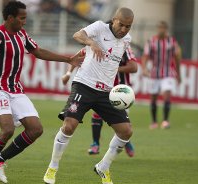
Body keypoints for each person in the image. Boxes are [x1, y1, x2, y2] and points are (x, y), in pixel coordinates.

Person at [0, 2, 82, 184]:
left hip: (15, 89)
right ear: (10, 18)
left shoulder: (21, 35)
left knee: (36, 129)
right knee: (7, 129)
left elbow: (38, 51)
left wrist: (68, 59)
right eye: (22, 18)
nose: (24, 22)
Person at [44, 7, 135, 184]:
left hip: (107, 93)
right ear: (114, 20)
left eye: (128, 26)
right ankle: (52, 167)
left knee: (126, 131)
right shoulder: (100, 27)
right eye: (121, 25)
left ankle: (103, 167)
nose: (124, 29)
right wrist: (91, 42)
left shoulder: (126, 40)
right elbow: (77, 35)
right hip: (84, 86)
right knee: (69, 126)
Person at [61, 46, 137, 157]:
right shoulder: (98, 43)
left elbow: (134, 67)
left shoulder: (124, 47)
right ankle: (95, 143)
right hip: (101, 88)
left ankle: (126, 141)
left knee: (122, 125)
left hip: (120, 91)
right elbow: (78, 56)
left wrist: (112, 68)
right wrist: (68, 74)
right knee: (97, 114)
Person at [141, 21, 181, 130]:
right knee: (153, 98)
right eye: (160, 28)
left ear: (166, 29)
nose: (161, 30)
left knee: (167, 94)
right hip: (155, 73)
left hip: (168, 72)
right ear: (157, 28)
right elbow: (145, 56)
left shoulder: (171, 41)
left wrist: (179, 74)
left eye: (163, 28)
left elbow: (177, 58)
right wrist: (144, 68)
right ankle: (154, 121)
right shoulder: (151, 41)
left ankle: (165, 121)